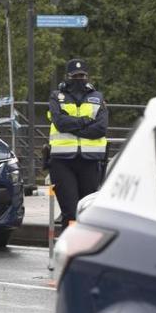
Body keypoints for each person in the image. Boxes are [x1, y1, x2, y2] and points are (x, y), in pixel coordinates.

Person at [47, 59, 107, 229]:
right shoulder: (56, 96)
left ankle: (85, 250)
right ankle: (69, 250)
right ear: (67, 77)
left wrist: (74, 127)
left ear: (87, 76)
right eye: (75, 76)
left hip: (90, 160)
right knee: (71, 212)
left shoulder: (97, 97)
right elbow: (59, 122)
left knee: (87, 212)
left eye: (82, 75)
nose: (79, 78)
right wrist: (86, 121)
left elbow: (101, 128)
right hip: (62, 161)